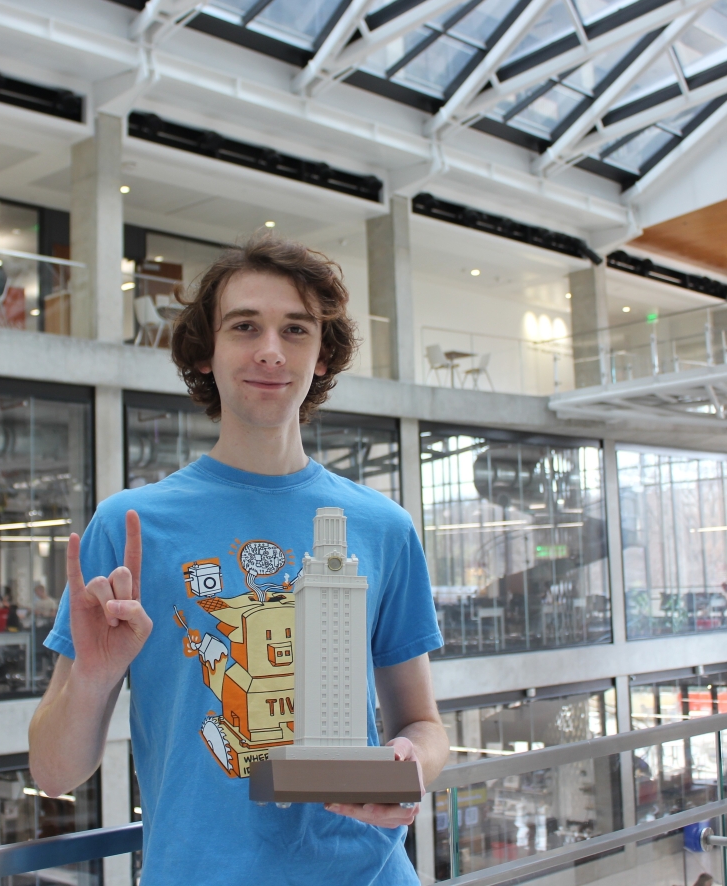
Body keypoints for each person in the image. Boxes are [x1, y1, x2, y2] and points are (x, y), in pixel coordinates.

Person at [29, 232, 448, 885]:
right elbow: (54, 773)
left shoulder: (383, 528)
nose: (271, 351)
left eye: (297, 330)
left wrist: (405, 765)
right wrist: (92, 678)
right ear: (206, 355)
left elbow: (422, 724)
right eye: (245, 326)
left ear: (322, 357)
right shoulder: (131, 528)